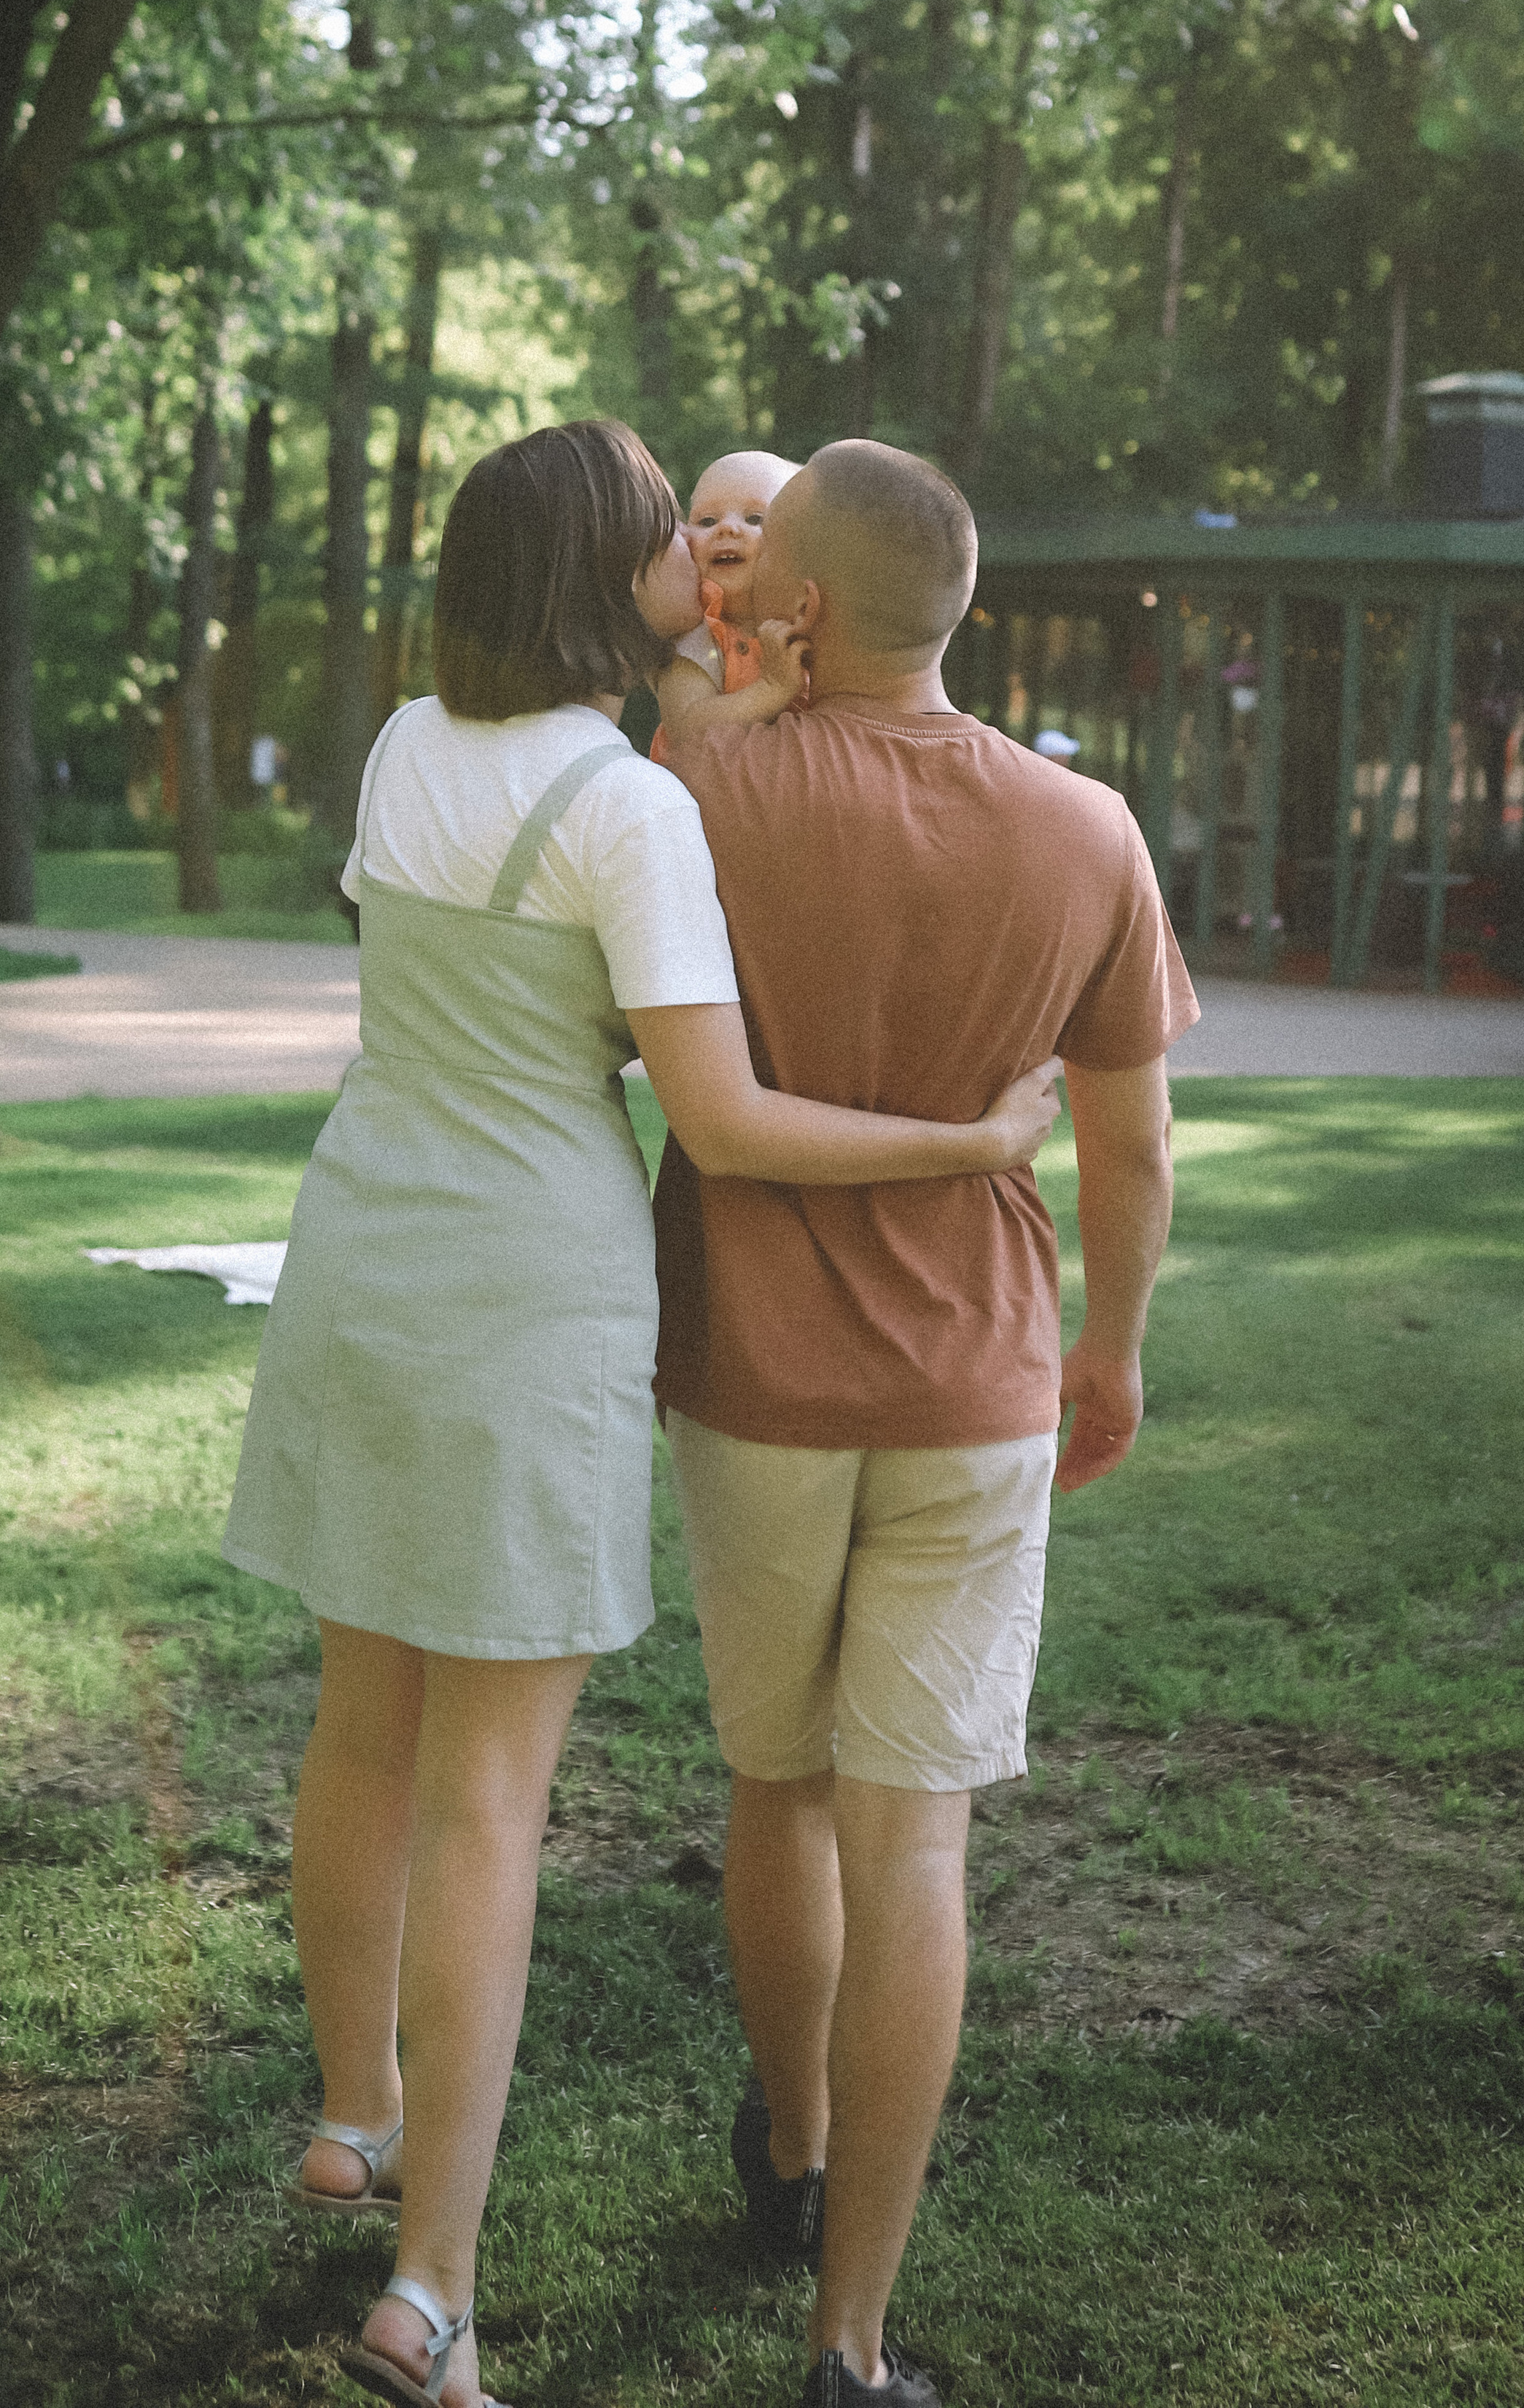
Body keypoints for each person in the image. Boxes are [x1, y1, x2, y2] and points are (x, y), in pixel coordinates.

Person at [219, 421, 1065, 2408]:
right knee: (488, 1797)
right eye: (677, 545)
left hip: (360, 1259)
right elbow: (726, 1119)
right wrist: (970, 1136)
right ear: (614, 582)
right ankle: (433, 2293)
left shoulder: (406, 746)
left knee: (362, 1727)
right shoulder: (630, 811)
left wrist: (731, 709)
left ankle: (359, 2112)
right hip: (524, 1297)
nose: (716, 564)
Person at [653, 439, 1200, 2408]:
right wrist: (1111, 1354)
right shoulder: (1088, 828)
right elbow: (1129, 1146)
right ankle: (851, 2342)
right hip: (980, 1383)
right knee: (917, 1845)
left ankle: (787, 2154)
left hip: (752, 1385)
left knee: (776, 1790)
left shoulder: (701, 790)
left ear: (798, 606)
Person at [651, 449, 801, 760]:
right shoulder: (693, 635)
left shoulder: (810, 625)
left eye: (755, 518)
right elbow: (687, 731)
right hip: (704, 803)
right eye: (707, 520)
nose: (728, 528)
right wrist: (771, 689)